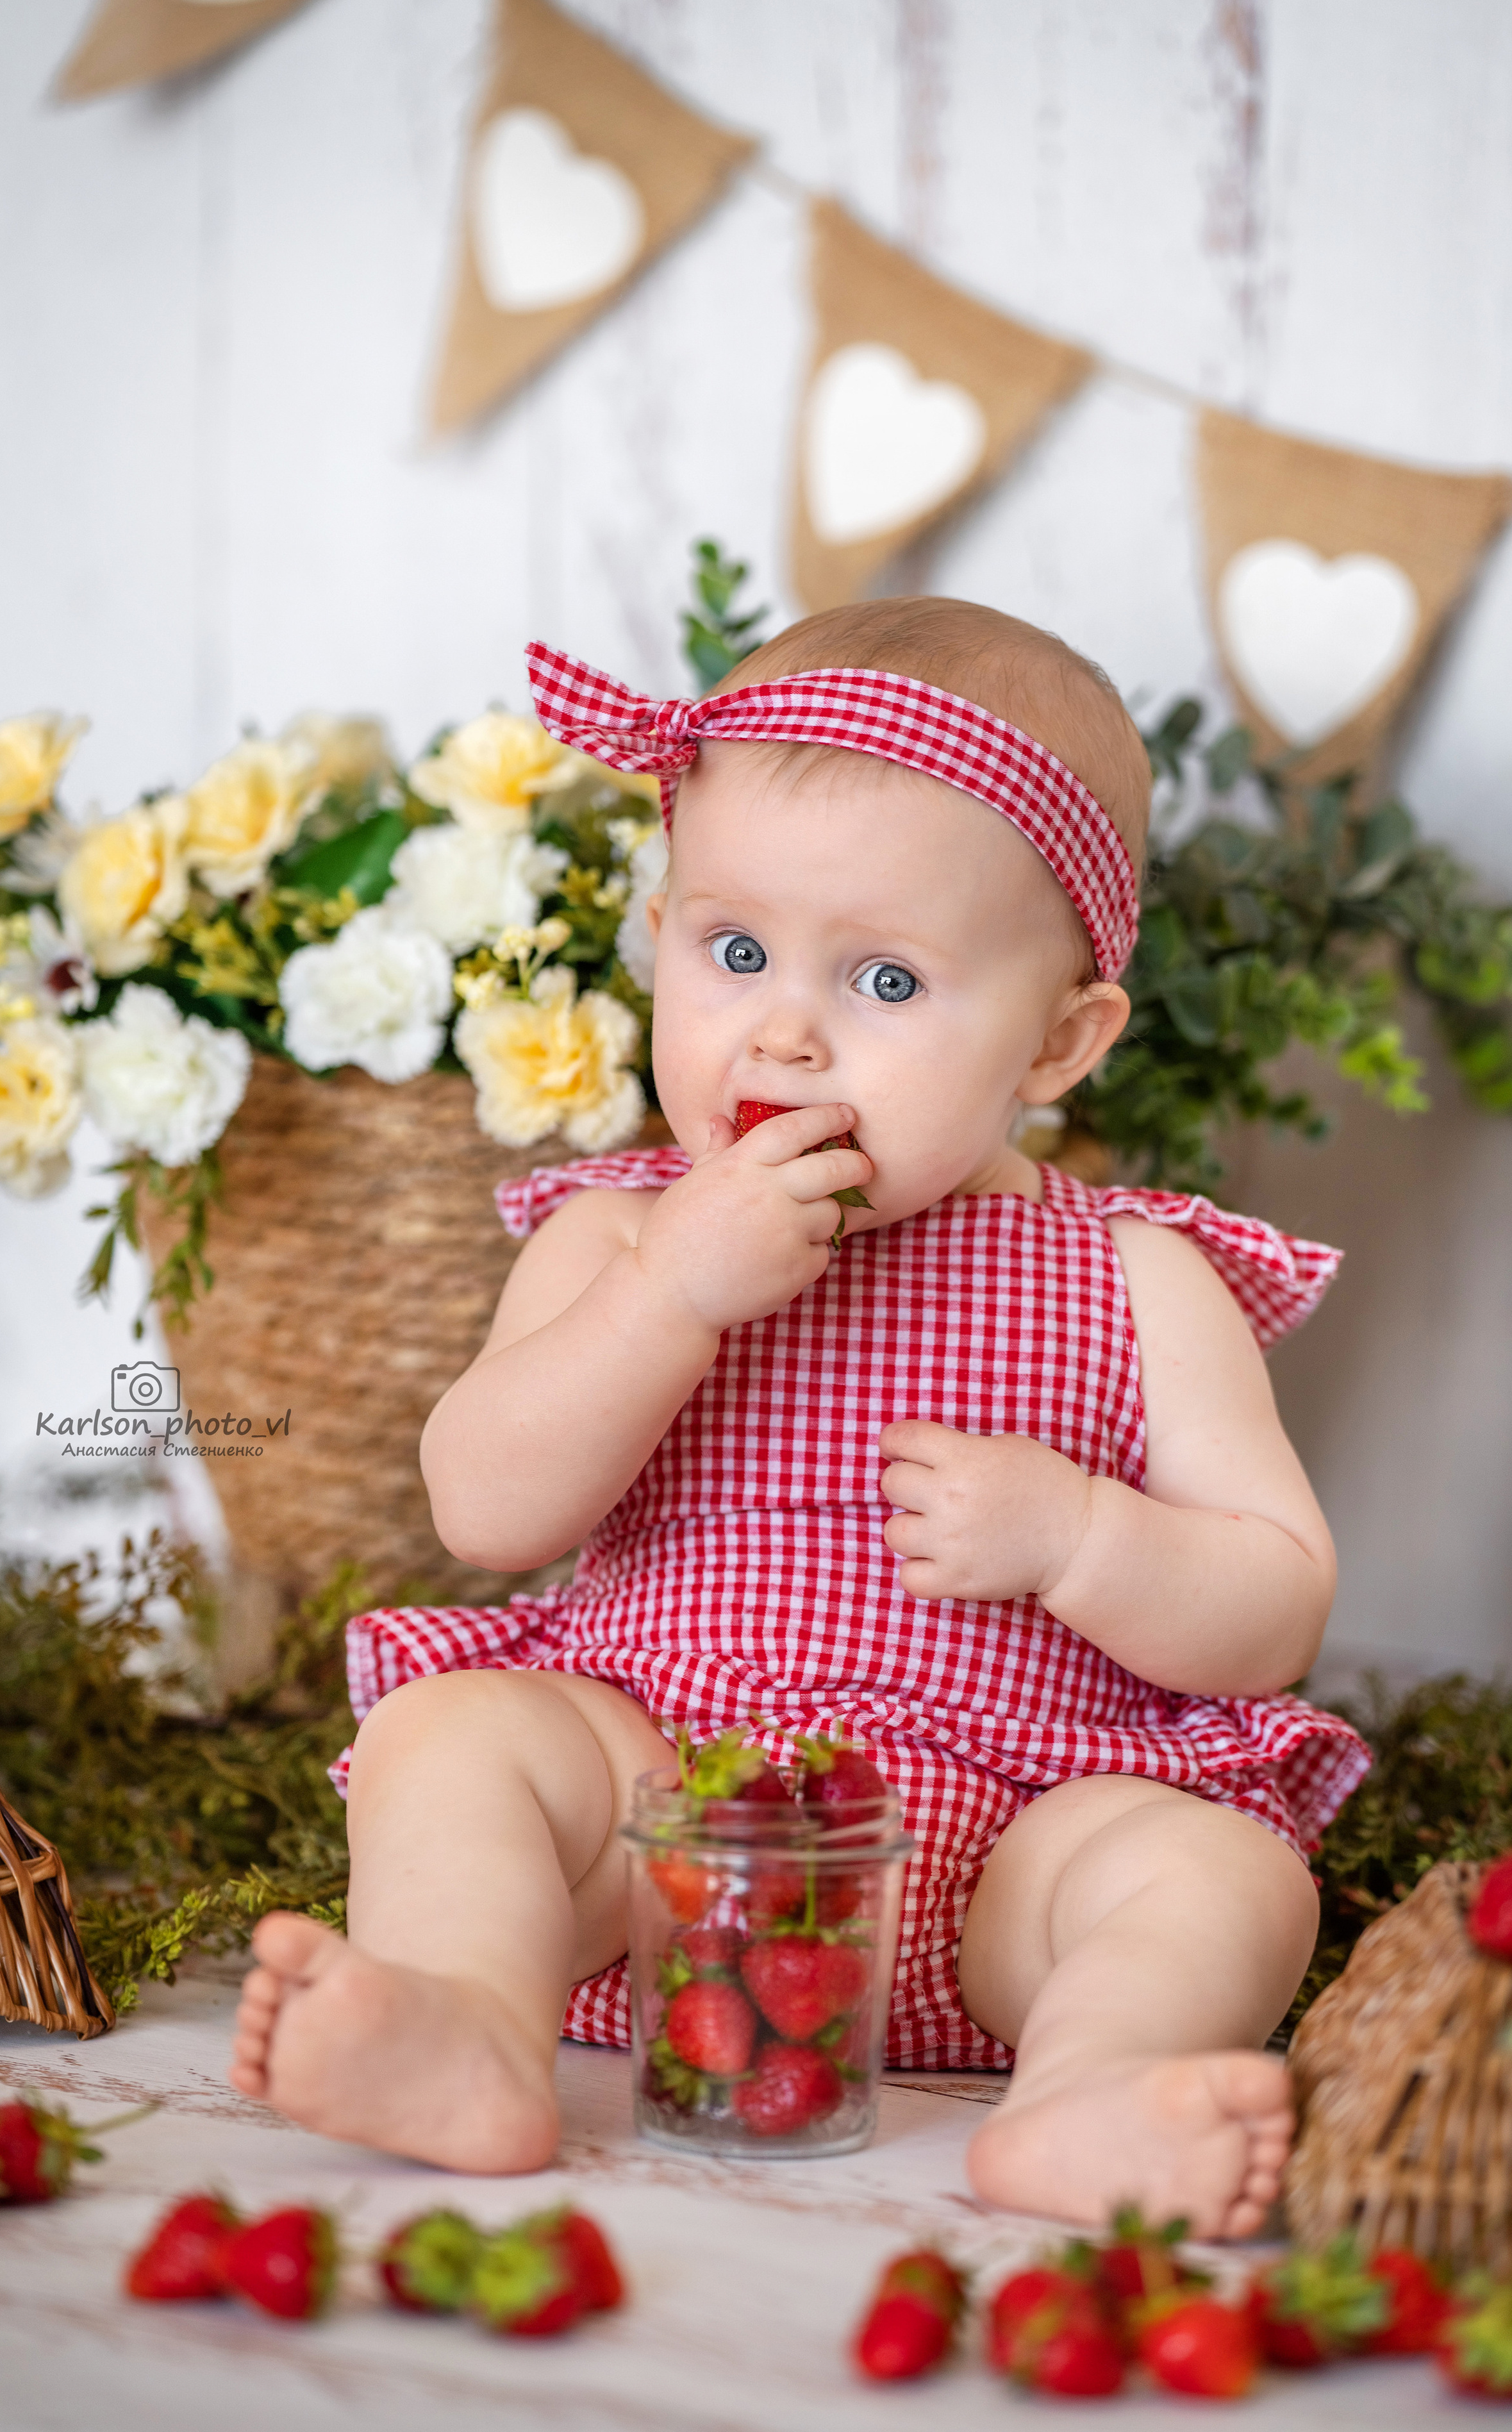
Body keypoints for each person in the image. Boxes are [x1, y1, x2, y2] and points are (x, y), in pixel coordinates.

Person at [229, 599, 1368, 2236]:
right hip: (657, 1842)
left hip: (1000, 1856)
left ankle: (1081, 2091)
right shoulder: (616, 1232)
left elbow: (1275, 1602)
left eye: (886, 977)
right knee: (453, 1736)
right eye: (734, 947)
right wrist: (668, 1298)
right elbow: (483, 1506)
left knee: (1223, 1871)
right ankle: (466, 2024)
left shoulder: (1134, 1276)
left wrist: (1081, 1533)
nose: (780, 1027)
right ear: (664, 928)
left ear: (1057, 1038)